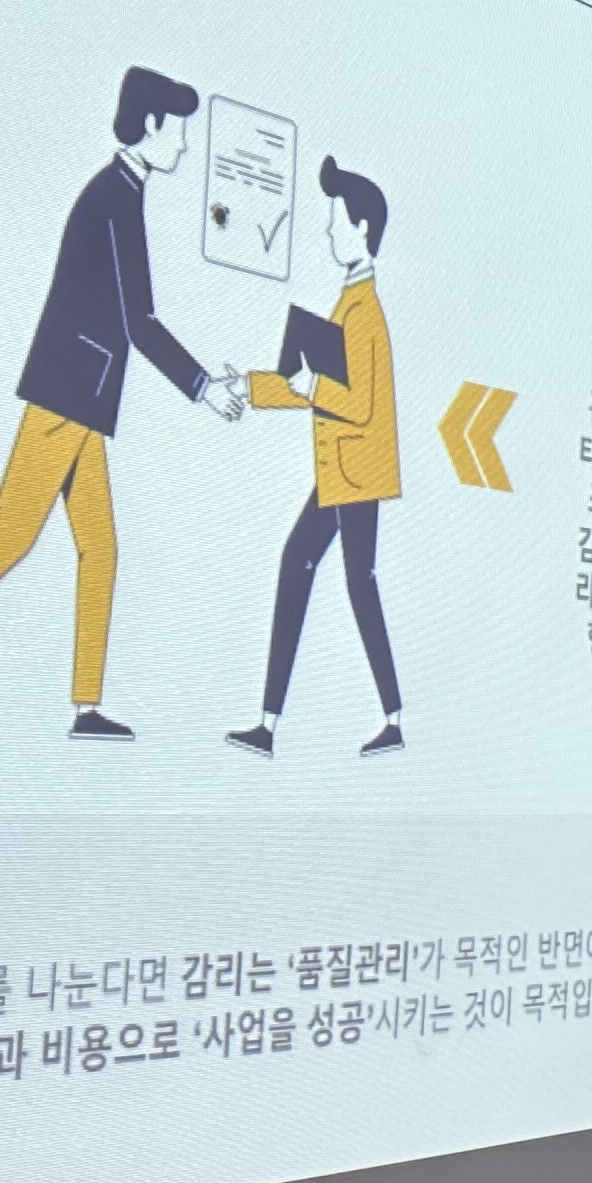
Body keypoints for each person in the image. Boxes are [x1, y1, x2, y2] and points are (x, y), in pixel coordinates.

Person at [0, 66, 241, 738]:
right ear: (150, 124)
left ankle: (86, 707)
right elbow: (139, 321)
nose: (186, 147)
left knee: (99, 547)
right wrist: (202, 387)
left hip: (84, 398)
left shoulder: (124, 193)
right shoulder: (113, 199)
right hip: (67, 393)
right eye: (180, 132)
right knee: (12, 529)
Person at [228, 159, 404, 759]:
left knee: (352, 581)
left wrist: (310, 386)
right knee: (322, 572)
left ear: (362, 228)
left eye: (336, 222)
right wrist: (250, 386)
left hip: (356, 474)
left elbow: (359, 403)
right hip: (343, 474)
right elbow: (312, 387)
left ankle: (386, 719)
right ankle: (271, 724)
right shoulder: (348, 302)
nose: (329, 231)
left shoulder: (365, 312)